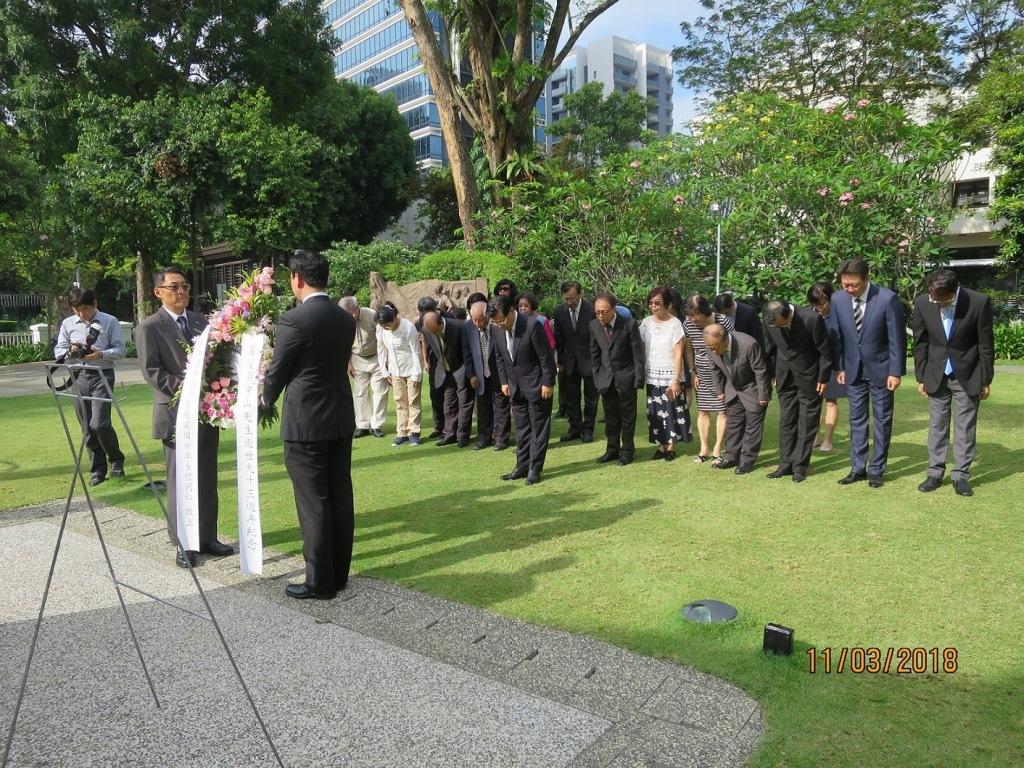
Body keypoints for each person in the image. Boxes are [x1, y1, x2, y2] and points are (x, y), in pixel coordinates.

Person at [262, 250, 355, 600]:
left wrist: (262, 399)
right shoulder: (345, 318)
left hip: (306, 422)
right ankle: (339, 574)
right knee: (339, 495)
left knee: (313, 501)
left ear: (297, 279)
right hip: (340, 417)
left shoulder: (294, 320)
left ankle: (319, 581)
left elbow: (279, 370)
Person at [137, 267, 233, 568]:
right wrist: (188, 388)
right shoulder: (149, 326)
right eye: (174, 287)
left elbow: (216, 360)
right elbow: (152, 372)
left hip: (206, 412)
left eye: (184, 287)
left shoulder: (200, 321)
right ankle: (184, 544)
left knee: (206, 473)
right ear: (158, 291)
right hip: (175, 411)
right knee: (180, 478)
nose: (181, 293)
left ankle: (207, 537)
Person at [911, 268, 994, 497]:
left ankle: (961, 475)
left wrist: (986, 379)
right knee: (937, 424)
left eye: (942, 298)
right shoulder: (922, 302)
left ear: (954, 291)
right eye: (933, 297)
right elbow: (920, 343)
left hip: (968, 373)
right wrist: (921, 376)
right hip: (936, 373)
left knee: (965, 426)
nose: (936, 302)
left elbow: (986, 343)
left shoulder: (978, 302)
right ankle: (935, 472)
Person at [831, 259, 907, 488]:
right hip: (853, 370)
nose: (849, 289)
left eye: (854, 285)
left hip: (882, 371)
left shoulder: (887, 298)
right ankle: (857, 468)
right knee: (856, 419)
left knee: (882, 420)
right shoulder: (837, 299)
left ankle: (876, 470)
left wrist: (895, 372)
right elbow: (839, 338)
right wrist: (841, 367)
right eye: (845, 285)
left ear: (866, 278)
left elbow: (897, 339)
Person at [53, 287, 127, 487]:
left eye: (84, 308)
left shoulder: (109, 321)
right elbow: (58, 349)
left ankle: (116, 460)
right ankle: (98, 469)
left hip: (102, 375)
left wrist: (100, 354)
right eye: (76, 309)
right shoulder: (68, 324)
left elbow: (121, 350)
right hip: (78, 377)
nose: (80, 313)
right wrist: (71, 350)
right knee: (87, 427)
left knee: (100, 424)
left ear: (95, 303)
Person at [761, 300, 832, 482]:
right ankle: (785, 465)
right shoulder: (769, 318)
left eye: (780, 323)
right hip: (784, 377)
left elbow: (825, 351)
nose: (777, 326)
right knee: (787, 421)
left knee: (807, 423)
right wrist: (773, 373)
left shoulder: (812, 319)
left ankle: (800, 467)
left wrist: (823, 378)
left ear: (787, 315)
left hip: (810, 377)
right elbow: (770, 349)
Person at [488, 294, 555, 485]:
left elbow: (546, 357)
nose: (499, 325)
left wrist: (547, 383)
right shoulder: (497, 329)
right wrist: (504, 382)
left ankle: (535, 468)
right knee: (522, 429)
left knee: (538, 429)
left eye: (501, 321)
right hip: (515, 387)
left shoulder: (532, 325)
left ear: (512, 311)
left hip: (537, 385)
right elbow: (500, 357)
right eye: (495, 322)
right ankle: (521, 466)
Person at [703, 323, 770, 473]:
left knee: (753, 428)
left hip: (752, 389)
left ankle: (747, 461)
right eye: (710, 347)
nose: (712, 350)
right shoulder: (711, 345)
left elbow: (760, 371)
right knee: (733, 425)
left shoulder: (748, 344)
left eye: (715, 347)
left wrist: (763, 394)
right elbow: (714, 368)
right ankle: (731, 457)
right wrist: (720, 390)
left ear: (724, 339)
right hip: (732, 390)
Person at [589, 292, 644, 466]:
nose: (599, 315)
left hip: (626, 378)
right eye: (596, 311)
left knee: (627, 417)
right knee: (611, 417)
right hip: (606, 381)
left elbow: (637, 354)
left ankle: (627, 450)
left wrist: (638, 378)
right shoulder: (593, 326)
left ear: (613, 309)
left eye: (603, 311)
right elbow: (594, 355)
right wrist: (597, 380)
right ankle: (612, 449)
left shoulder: (629, 325)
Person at [682, 294, 733, 464]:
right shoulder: (688, 323)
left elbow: (731, 346)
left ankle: (718, 448)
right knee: (703, 410)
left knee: (722, 410)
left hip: (721, 372)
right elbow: (689, 349)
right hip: (701, 372)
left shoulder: (722, 320)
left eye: (697, 316)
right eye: (690, 316)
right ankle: (704, 448)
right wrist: (692, 371)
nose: (694, 320)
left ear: (706, 311)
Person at [640, 287, 687, 461]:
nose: (653, 305)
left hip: (671, 374)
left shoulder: (675, 323)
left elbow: (678, 353)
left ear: (666, 304)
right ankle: (660, 445)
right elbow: (641, 348)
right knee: (655, 411)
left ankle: (671, 446)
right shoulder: (645, 322)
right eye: (651, 302)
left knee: (672, 411)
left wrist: (675, 379)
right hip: (652, 374)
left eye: (657, 302)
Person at [553, 281, 598, 443]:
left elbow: (597, 336)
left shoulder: (591, 309)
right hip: (568, 360)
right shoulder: (559, 311)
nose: (570, 302)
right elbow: (558, 336)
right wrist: (560, 360)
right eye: (566, 299)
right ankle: (575, 428)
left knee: (591, 398)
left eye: (572, 298)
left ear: (580, 294)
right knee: (571, 397)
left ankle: (588, 429)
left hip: (590, 359)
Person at [463, 300, 510, 450]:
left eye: (480, 320)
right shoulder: (468, 327)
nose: (477, 323)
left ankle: (501, 438)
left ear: (488, 316)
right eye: (474, 320)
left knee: (501, 406)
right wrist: (471, 375)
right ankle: (484, 437)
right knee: (483, 408)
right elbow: (467, 353)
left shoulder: (498, 326)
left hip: (498, 374)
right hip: (480, 374)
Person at [338, 296, 388, 439]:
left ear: (356, 308)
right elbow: (343, 343)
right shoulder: (342, 321)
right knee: (360, 393)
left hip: (376, 357)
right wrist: (347, 363)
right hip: (356, 359)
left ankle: (376, 425)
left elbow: (382, 338)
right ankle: (362, 425)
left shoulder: (371, 315)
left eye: (349, 313)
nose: (348, 317)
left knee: (379, 391)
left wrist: (385, 360)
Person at [422, 309, 472, 447]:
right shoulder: (426, 329)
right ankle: (450, 434)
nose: (431, 333)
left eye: (434, 331)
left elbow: (466, 351)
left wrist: (469, 373)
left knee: (464, 403)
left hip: (461, 368)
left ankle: (463, 436)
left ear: (440, 324)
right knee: (448, 403)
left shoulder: (459, 327)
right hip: (445, 370)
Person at [807, 282, 847, 452]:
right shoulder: (811, 315)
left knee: (831, 401)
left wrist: (843, 368)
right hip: (813, 365)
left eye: (822, 304)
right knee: (813, 401)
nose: (819, 308)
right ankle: (814, 437)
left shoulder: (841, 316)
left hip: (835, 365)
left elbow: (845, 344)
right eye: (814, 305)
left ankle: (827, 440)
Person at [375, 305, 423, 446]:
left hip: (411, 369)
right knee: (400, 402)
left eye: (387, 325)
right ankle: (402, 433)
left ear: (394, 318)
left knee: (413, 401)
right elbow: (381, 350)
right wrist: (384, 371)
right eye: (382, 326)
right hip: (395, 371)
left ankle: (414, 432)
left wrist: (416, 374)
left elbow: (416, 351)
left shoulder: (408, 327)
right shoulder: (382, 330)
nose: (385, 328)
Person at [415, 296, 446, 440]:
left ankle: (449, 427)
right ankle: (438, 426)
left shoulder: (444, 317)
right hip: (434, 361)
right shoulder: (420, 321)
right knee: (435, 395)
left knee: (448, 396)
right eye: (423, 313)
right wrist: (425, 361)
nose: (425, 315)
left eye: (429, 311)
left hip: (447, 359)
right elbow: (424, 341)